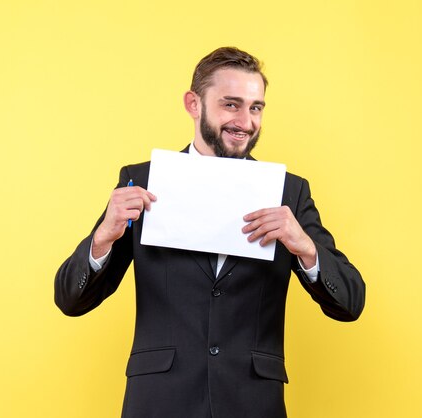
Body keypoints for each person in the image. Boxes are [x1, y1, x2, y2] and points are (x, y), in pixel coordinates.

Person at [54, 46, 365, 418]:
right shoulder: (143, 181)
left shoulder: (288, 193)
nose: (246, 122)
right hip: (160, 401)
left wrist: (306, 250)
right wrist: (103, 238)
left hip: (251, 403)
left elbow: (351, 302)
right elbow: (70, 300)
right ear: (193, 103)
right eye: (231, 105)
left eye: (256, 107)